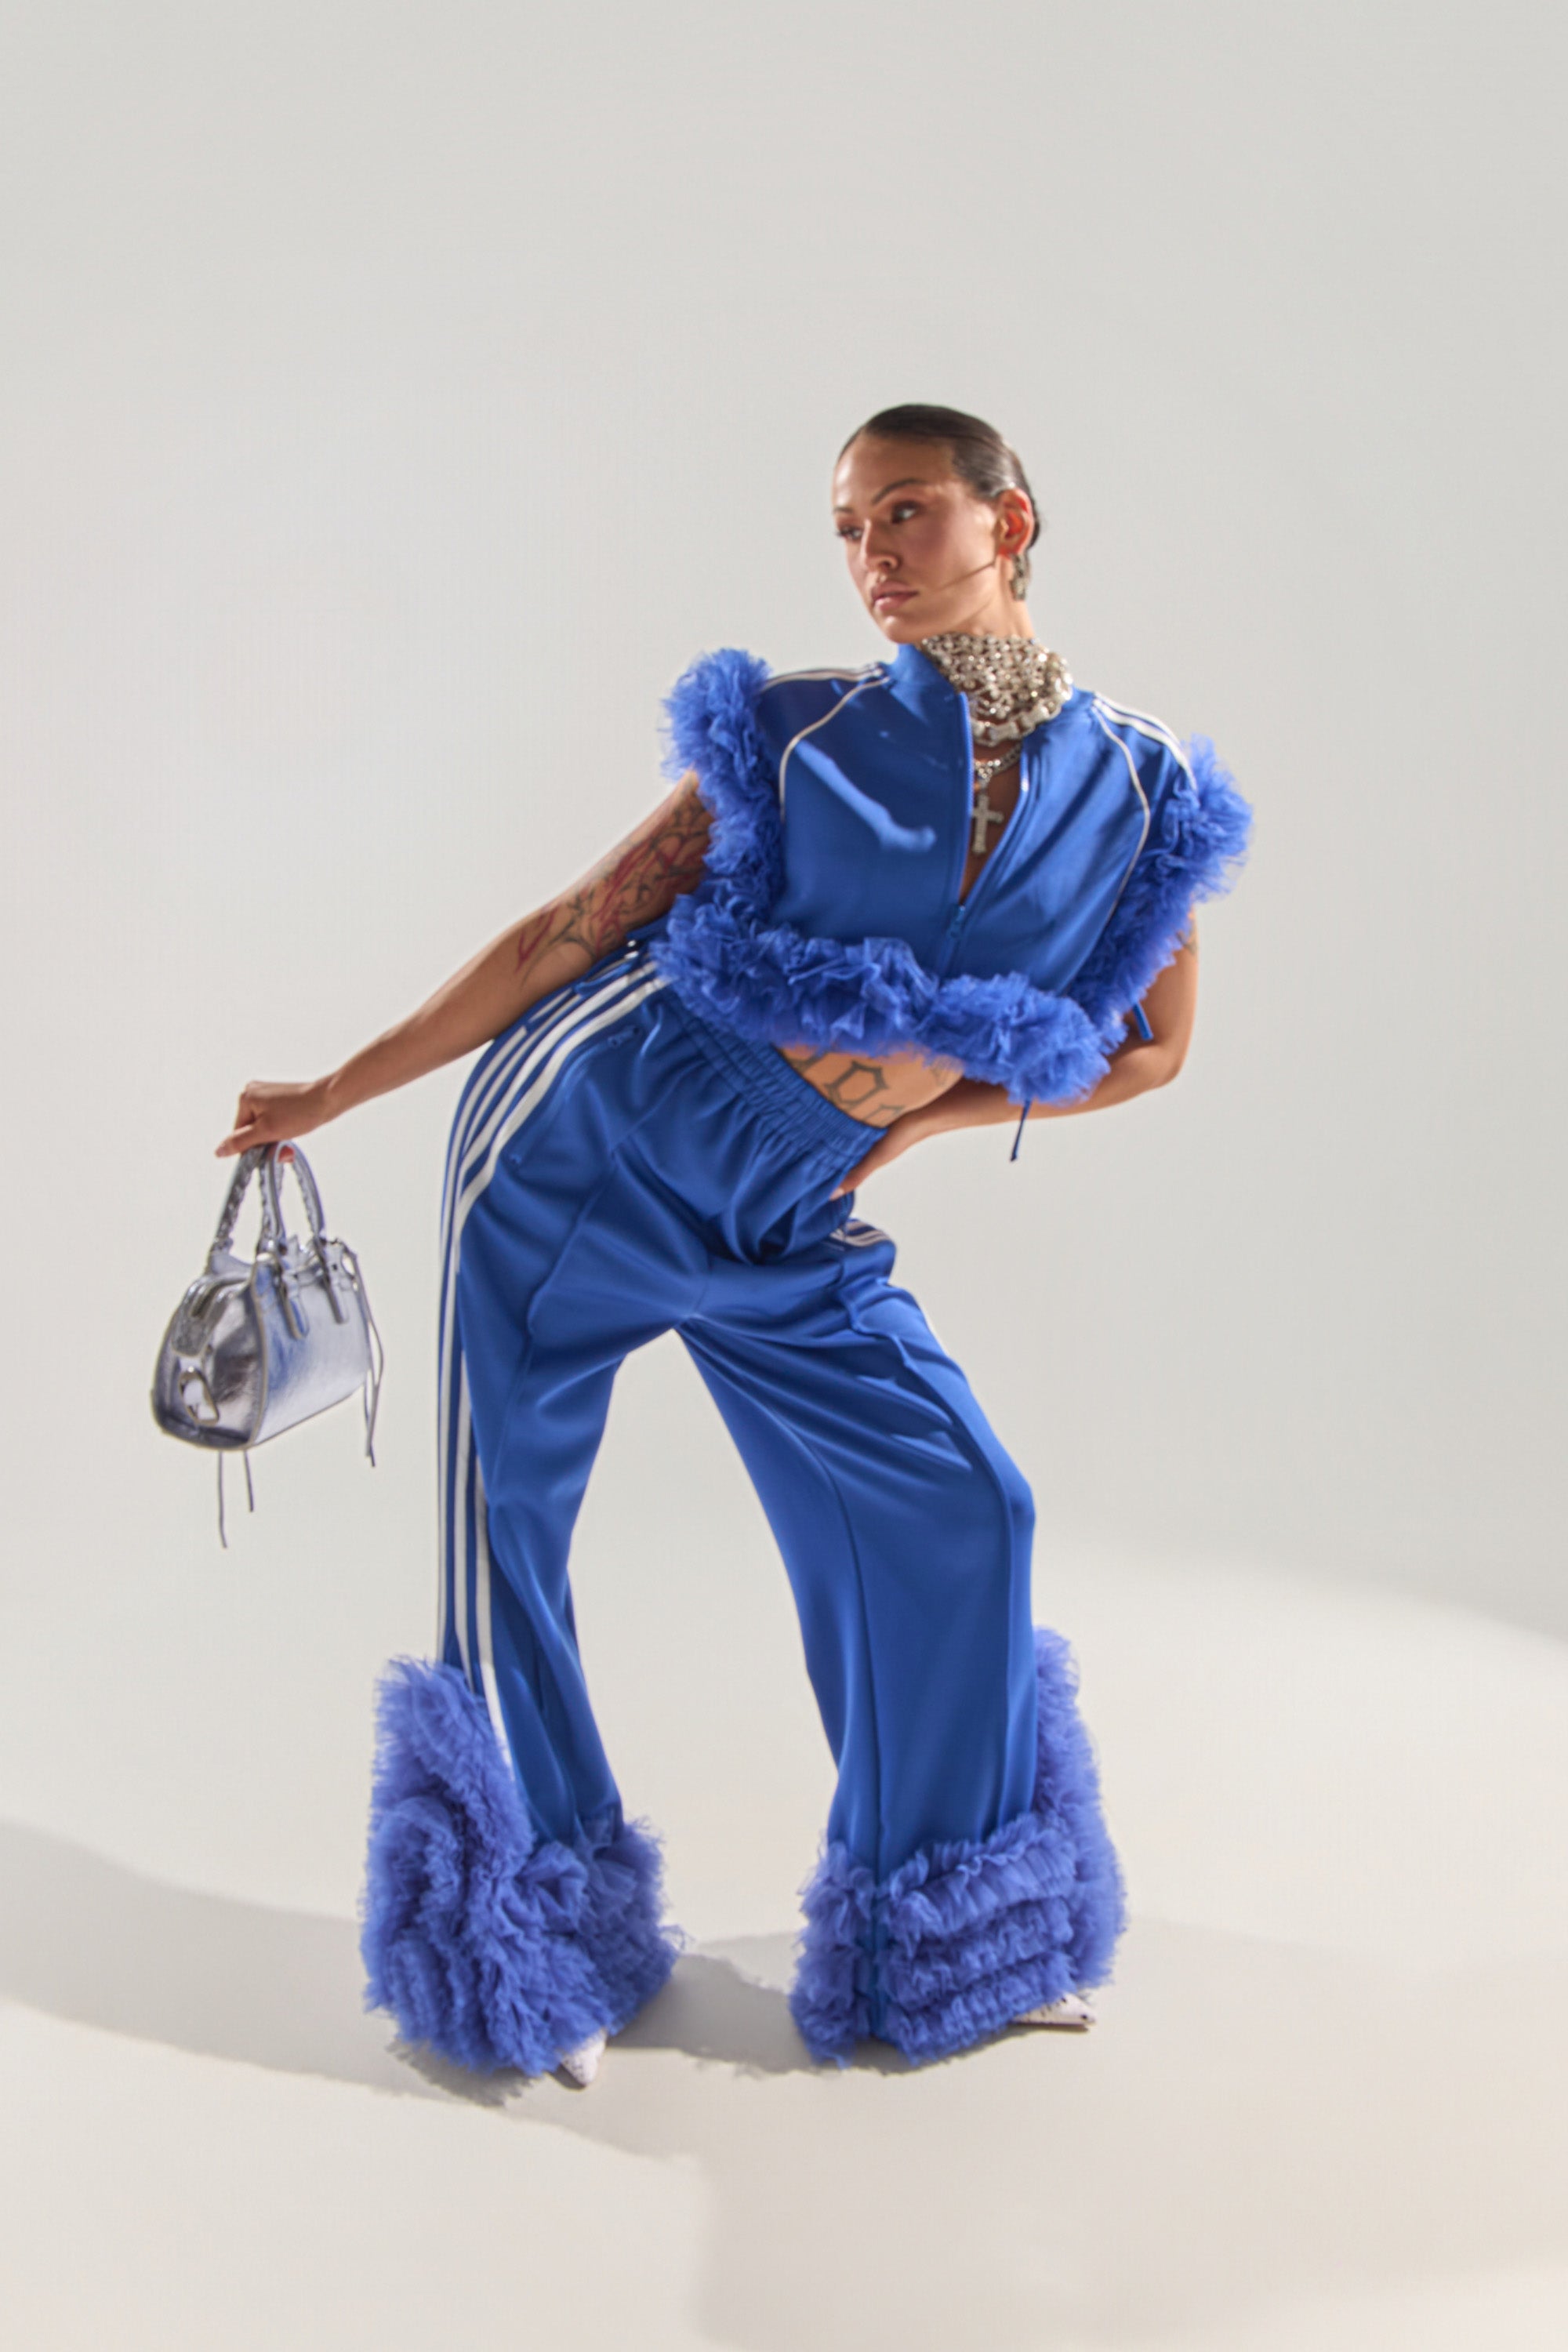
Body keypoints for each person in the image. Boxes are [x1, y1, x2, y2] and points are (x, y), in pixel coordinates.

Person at [218, 404, 1250, 2086]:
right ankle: (534, 1947)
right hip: (592, 1140)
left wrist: (918, 1124)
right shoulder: (796, 729)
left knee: (965, 1503)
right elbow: (568, 935)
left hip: (791, 1203)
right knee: (506, 1532)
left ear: (1009, 520)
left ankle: (947, 1927)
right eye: (848, 528)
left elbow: (1150, 1051)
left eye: (905, 513)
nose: (871, 557)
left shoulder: (1141, 792)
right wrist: (339, 1089)